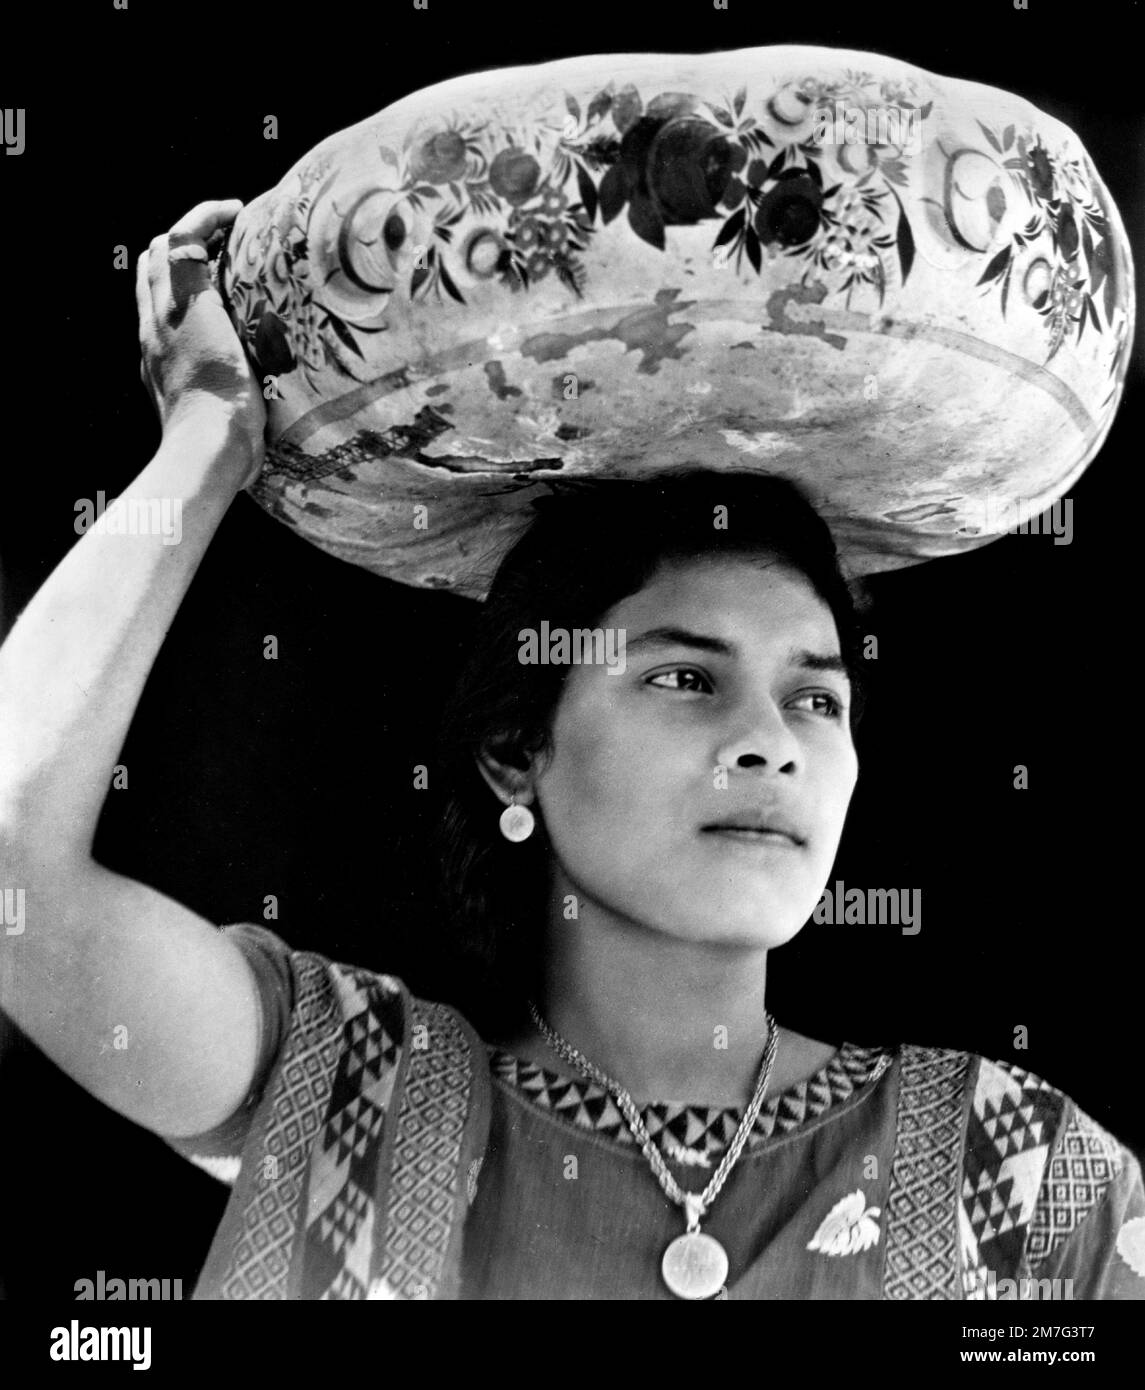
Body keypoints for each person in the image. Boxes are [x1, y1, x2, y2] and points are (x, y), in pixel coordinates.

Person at [0, 201, 1141, 1302]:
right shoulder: (352, 1098)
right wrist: (205, 433)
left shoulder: (1018, 1179)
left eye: (815, 700)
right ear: (514, 752)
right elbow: (15, 882)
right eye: (683, 679)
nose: (768, 745)